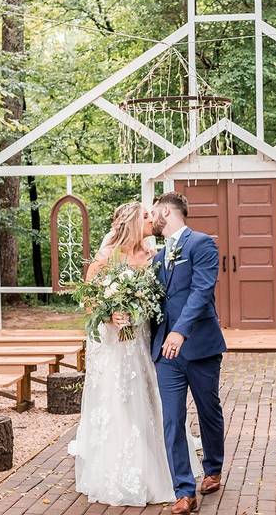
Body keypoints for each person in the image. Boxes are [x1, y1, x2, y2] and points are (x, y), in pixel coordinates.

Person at [69, 202, 199, 507]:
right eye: (145, 215)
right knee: (118, 399)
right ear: (130, 221)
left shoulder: (153, 255)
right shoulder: (105, 258)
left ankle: (162, 464)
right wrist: (108, 316)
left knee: (145, 395)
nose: (151, 219)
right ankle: (120, 468)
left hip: (141, 339)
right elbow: (89, 303)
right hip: (114, 344)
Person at [149, 192, 227, 515]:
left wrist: (180, 331)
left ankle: (212, 468)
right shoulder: (155, 258)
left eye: (154, 212)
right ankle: (184, 491)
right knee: (172, 419)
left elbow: (201, 290)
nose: (151, 218)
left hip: (199, 345)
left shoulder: (201, 244)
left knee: (208, 409)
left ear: (167, 211)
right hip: (165, 352)